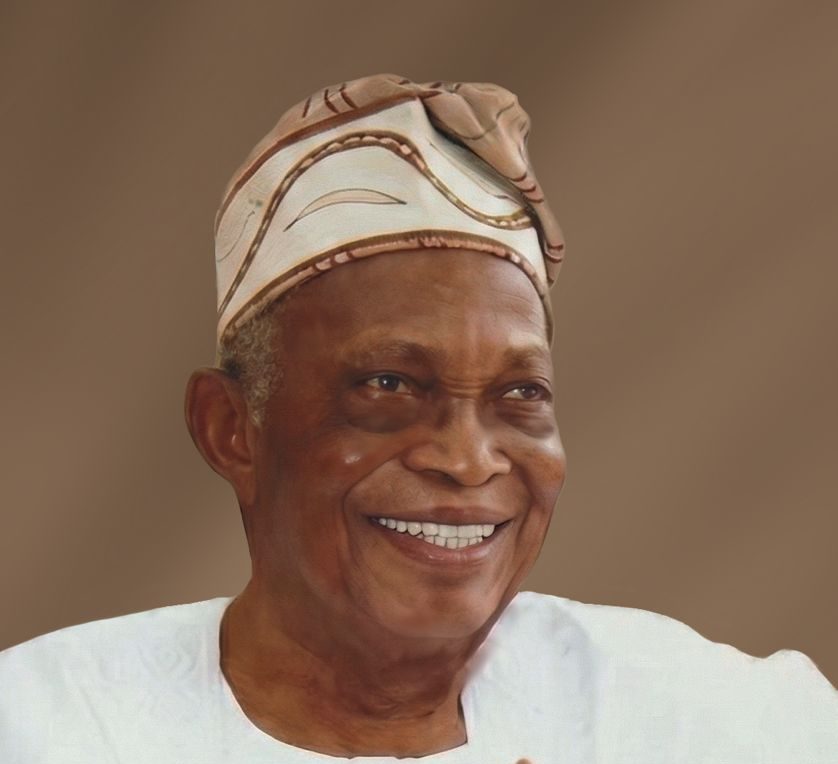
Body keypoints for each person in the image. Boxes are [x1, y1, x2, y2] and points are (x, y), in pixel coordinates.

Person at [0, 73, 835, 763]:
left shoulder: (712, 722)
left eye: (520, 394)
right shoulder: (50, 727)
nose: (468, 460)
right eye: (390, 385)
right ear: (231, 430)